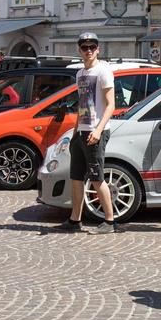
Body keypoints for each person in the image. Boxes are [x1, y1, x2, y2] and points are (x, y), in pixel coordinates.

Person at [55, 32, 118, 235]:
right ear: (79, 50)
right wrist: (74, 132)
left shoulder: (103, 71)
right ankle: (75, 219)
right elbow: (83, 106)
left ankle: (109, 221)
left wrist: (98, 130)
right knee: (76, 177)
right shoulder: (80, 74)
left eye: (92, 47)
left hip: (95, 132)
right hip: (81, 131)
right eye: (85, 47)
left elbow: (111, 105)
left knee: (97, 177)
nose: (89, 50)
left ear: (98, 49)